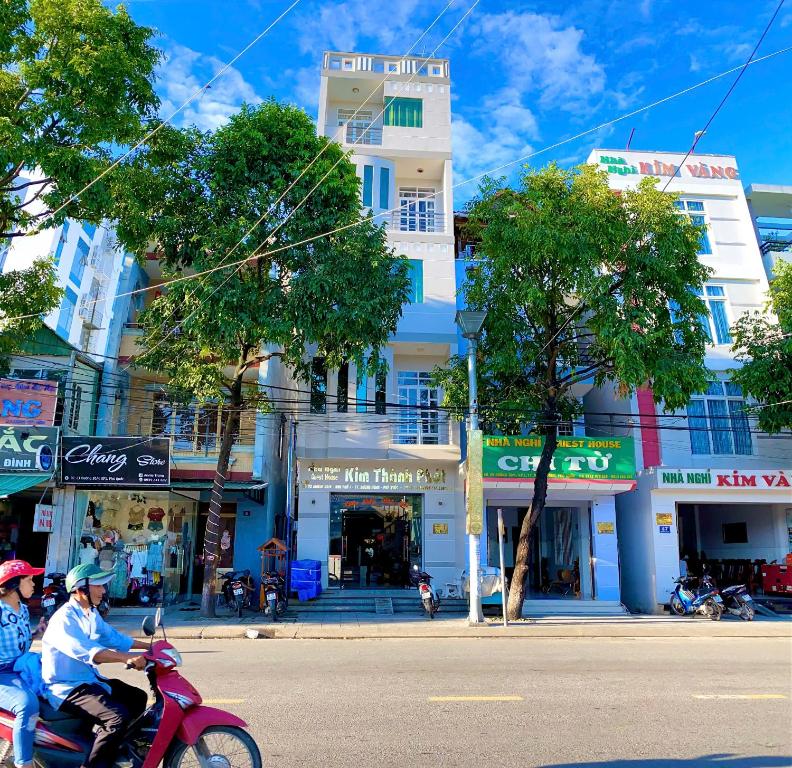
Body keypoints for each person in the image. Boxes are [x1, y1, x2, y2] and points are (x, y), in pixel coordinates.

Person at [41, 564, 149, 768]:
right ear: (81, 589)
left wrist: (150, 647)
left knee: (137, 698)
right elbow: (91, 652)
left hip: (88, 680)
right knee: (116, 718)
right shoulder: (64, 619)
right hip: (66, 688)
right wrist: (126, 658)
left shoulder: (89, 613)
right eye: (98, 585)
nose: (104, 590)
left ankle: (115, 747)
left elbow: (113, 638)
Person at [0, 560, 46, 768]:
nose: (34, 584)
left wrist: (37, 634)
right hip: (3, 673)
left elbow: (22, 642)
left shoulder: (24, 610)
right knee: (27, 705)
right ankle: (24, 763)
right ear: (14, 585)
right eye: (29, 580)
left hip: (23, 666)